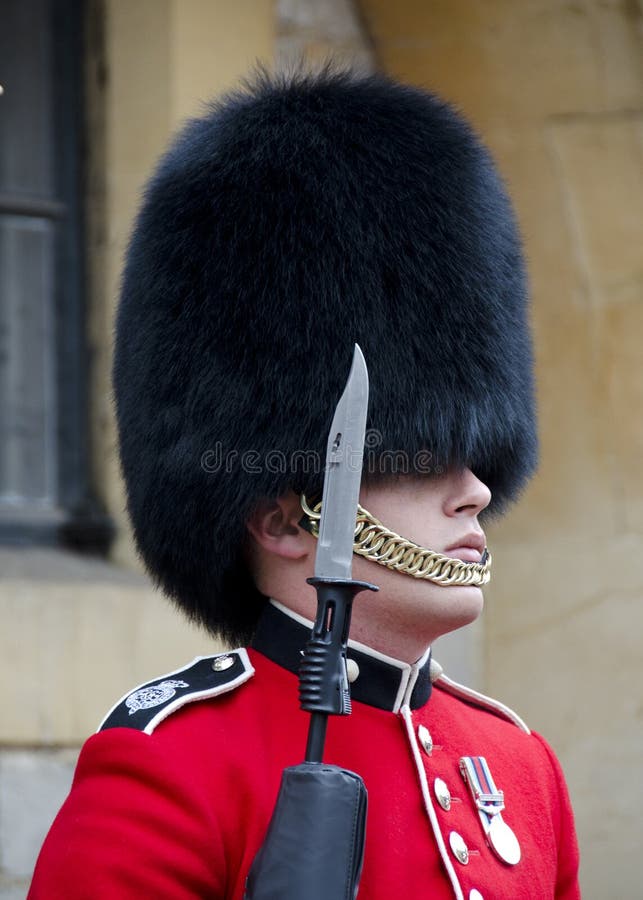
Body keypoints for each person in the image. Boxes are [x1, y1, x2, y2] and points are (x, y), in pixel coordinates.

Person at [29, 67, 580, 899]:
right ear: (287, 520)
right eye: (421, 458)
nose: (474, 491)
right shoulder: (174, 762)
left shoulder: (518, 766)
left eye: (475, 458)